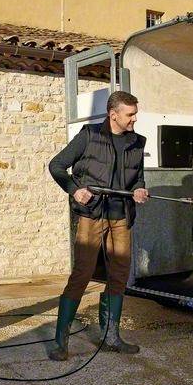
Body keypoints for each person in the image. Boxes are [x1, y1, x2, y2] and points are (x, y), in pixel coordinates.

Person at [47, 90, 149, 361]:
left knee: (119, 275)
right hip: (92, 214)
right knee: (82, 273)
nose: (134, 119)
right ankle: (61, 342)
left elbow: (138, 177)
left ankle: (111, 337)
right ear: (113, 114)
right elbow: (56, 165)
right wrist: (74, 189)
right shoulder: (89, 136)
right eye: (130, 114)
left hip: (121, 216)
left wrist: (140, 190)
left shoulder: (137, 142)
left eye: (135, 114)